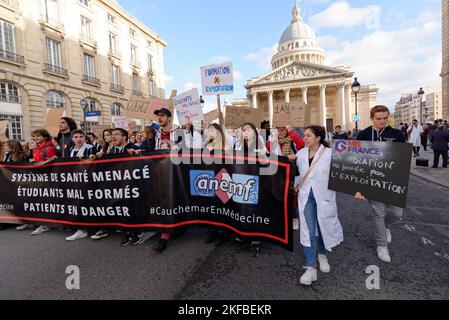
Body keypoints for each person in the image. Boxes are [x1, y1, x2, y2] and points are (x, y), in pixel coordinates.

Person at [293, 125, 343, 286]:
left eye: (308, 135)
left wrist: (357, 190)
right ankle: (310, 267)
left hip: (324, 197)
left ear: (318, 138)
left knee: (323, 227)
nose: (304, 138)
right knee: (308, 229)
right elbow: (285, 163)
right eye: (304, 135)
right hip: (306, 197)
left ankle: (322, 254)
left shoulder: (330, 154)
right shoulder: (301, 154)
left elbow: (345, 173)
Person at [356, 105, 406, 263]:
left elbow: (404, 157)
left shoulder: (396, 134)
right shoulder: (363, 134)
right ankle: (382, 245)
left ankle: (385, 227)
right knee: (378, 212)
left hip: (393, 179)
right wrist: (358, 186)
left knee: (397, 214)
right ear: (372, 118)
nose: (382, 121)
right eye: (378, 119)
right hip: (371, 179)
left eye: (385, 118)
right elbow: (356, 159)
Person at [152, 108, 183, 253]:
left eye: (162, 116)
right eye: (158, 116)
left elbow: (188, 149)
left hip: (177, 171)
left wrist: (174, 148)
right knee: (163, 200)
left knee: (176, 199)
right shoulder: (156, 134)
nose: (159, 118)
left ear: (169, 118)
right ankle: (164, 235)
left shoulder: (179, 131)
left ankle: (177, 227)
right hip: (161, 171)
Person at [203, 123, 232, 245]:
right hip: (209, 178)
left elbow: (230, 160)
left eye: (213, 130)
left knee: (222, 205)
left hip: (222, 178)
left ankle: (224, 232)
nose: (210, 132)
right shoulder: (206, 145)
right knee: (210, 205)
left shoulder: (226, 145)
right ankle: (212, 230)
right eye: (209, 130)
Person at [65, 130, 95, 241]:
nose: (79, 139)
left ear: (85, 138)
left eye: (81, 136)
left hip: (88, 180)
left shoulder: (90, 148)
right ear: (72, 139)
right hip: (75, 181)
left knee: (86, 204)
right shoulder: (70, 150)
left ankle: (84, 229)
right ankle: (81, 227)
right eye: (76, 137)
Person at [29, 129, 58, 236]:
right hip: (39, 179)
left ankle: (46, 224)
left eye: (38, 136)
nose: (35, 138)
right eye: (34, 136)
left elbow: (52, 165)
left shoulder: (49, 148)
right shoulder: (37, 149)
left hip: (48, 179)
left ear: (45, 137)